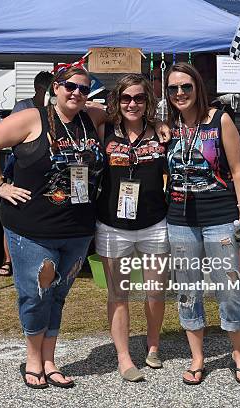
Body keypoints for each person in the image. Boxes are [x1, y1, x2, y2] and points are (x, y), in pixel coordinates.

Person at [0, 65, 107, 389]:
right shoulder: (33, 117)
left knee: (58, 296)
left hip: (77, 229)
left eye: (83, 88)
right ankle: (33, 361)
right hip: (31, 229)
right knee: (36, 295)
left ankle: (50, 361)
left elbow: (132, 112)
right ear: (56, 87)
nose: (77, 92)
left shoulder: (90, 117)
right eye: (70, 86)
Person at [164, 62, 240, 385]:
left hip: (219, 217)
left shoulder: (220, 120)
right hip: (179, 220)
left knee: (228, 288)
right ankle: (197, 358)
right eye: (173, 88)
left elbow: (238, 170)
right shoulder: (167, 127)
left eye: (186, 87)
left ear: (198, 88)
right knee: (188, 290)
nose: (179, 93)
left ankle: (239, 355)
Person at [95, 74, 168, 381]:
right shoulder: (104, 130)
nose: (132, 104)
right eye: (125, 98)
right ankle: (124, 357)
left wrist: (162, 125)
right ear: (117, 100)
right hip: (113, 225)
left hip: (154, 222)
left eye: (139, 98)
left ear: (148, 100)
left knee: (155, 291)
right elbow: (79, 106)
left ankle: (153, 346)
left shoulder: (162, 134)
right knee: (118, 293)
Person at [0, 71, 54, 277]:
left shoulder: (55, 108)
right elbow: (4, 136)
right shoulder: (23, 107)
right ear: (39, 88)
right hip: (21, 164)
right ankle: (8, 259)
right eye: (48, 89)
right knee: (15, 206)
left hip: (50, 168)